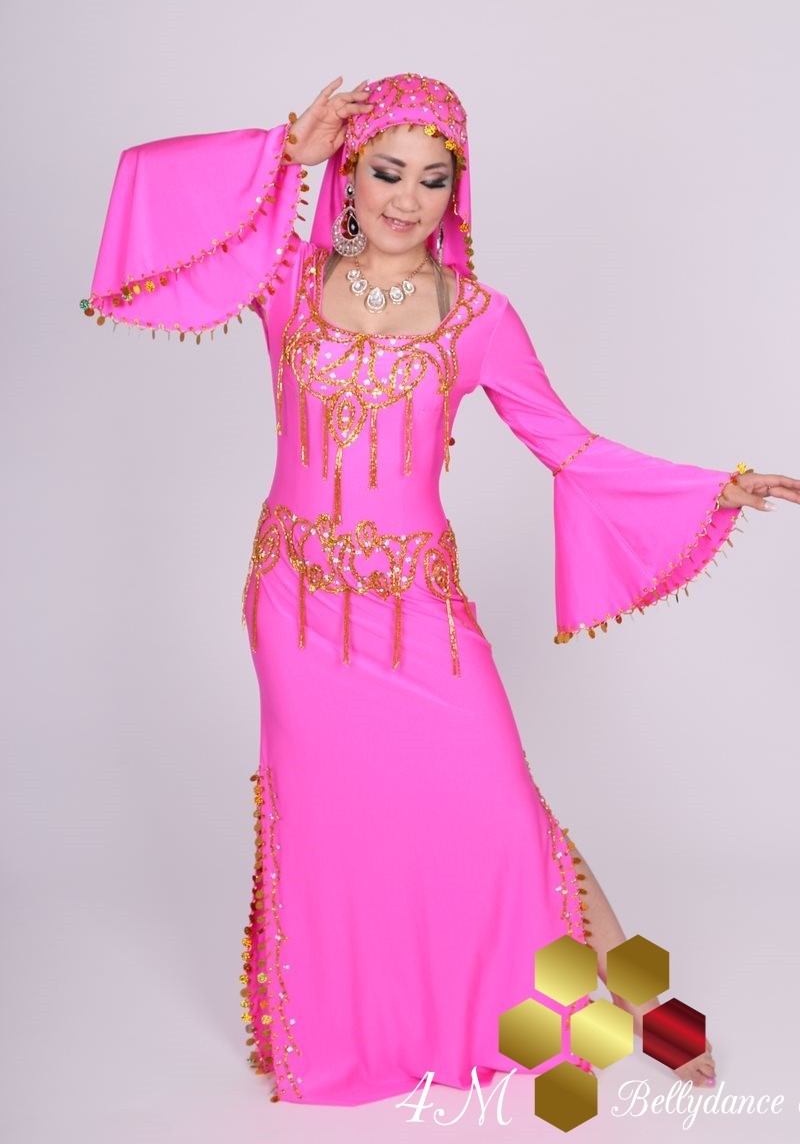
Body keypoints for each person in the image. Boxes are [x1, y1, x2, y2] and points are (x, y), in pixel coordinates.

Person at [81, 72, 799, 1108]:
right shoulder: (285, 279)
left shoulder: (478, 318)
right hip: (297, 606)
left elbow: (569, 447)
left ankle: (652, 1009)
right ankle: (351, 1027)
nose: (406, 199)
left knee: (509, 808)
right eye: (386, 171)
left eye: (431, 178)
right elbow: (148, 225)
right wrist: (284, 149)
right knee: (329, 825)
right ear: (350, 173)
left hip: (421, 615)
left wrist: (711, 489)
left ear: (456, 190)